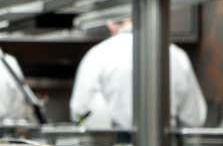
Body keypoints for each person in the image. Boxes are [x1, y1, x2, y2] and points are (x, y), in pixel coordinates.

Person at [70, 19, 207, 129]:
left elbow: (81, 109)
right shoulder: (176, 55)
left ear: (111, 24)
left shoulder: (98, 54)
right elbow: (194, 118)